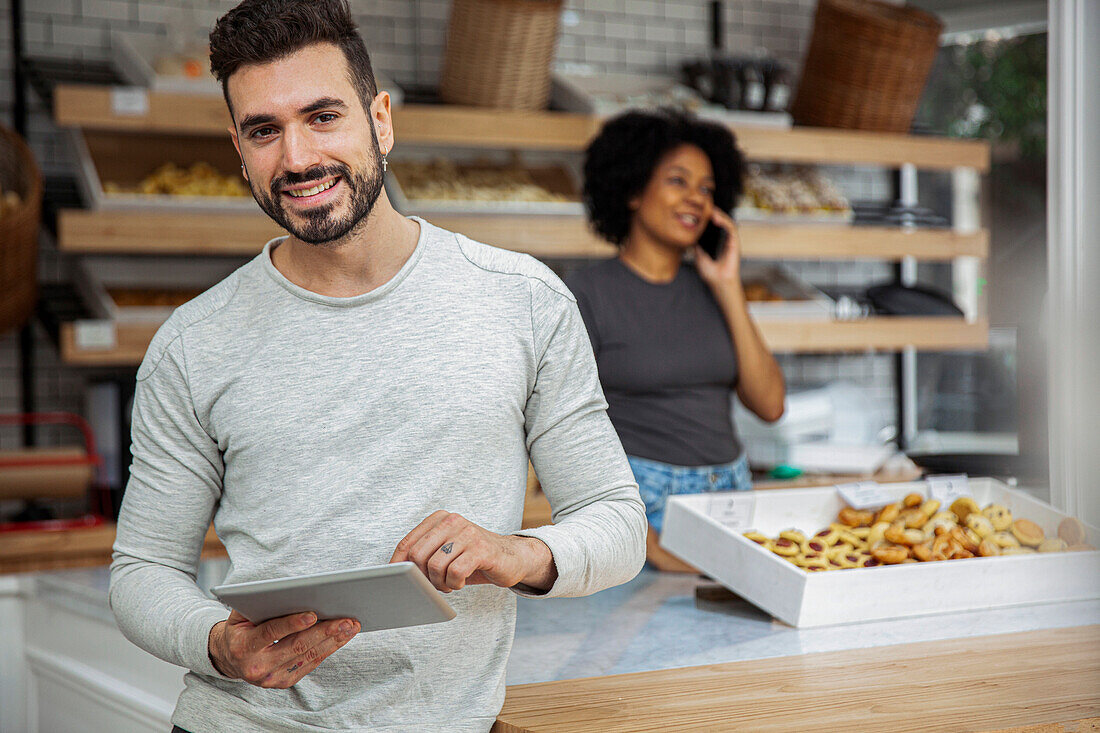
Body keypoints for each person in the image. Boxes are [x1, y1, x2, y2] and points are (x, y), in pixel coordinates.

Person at [108, 1, 646, 731]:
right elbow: (141, 571)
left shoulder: (523, 301)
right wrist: (219, 644)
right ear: (238, 149)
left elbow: (617, 522)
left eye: (323, 116)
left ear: (381, 120)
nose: (296, 158)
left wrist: (514, 552)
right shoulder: (193, 343)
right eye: (265, 131)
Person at [565, 109, 785, 573]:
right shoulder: (584, 295)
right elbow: (566, 436)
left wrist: (728, 284)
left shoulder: (715, 288)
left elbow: (770, 406)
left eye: (706, 188)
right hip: (645, 507)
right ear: (631, 190)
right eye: (678, 181)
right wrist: (644, 538)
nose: (696, 199)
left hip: (732, 497)